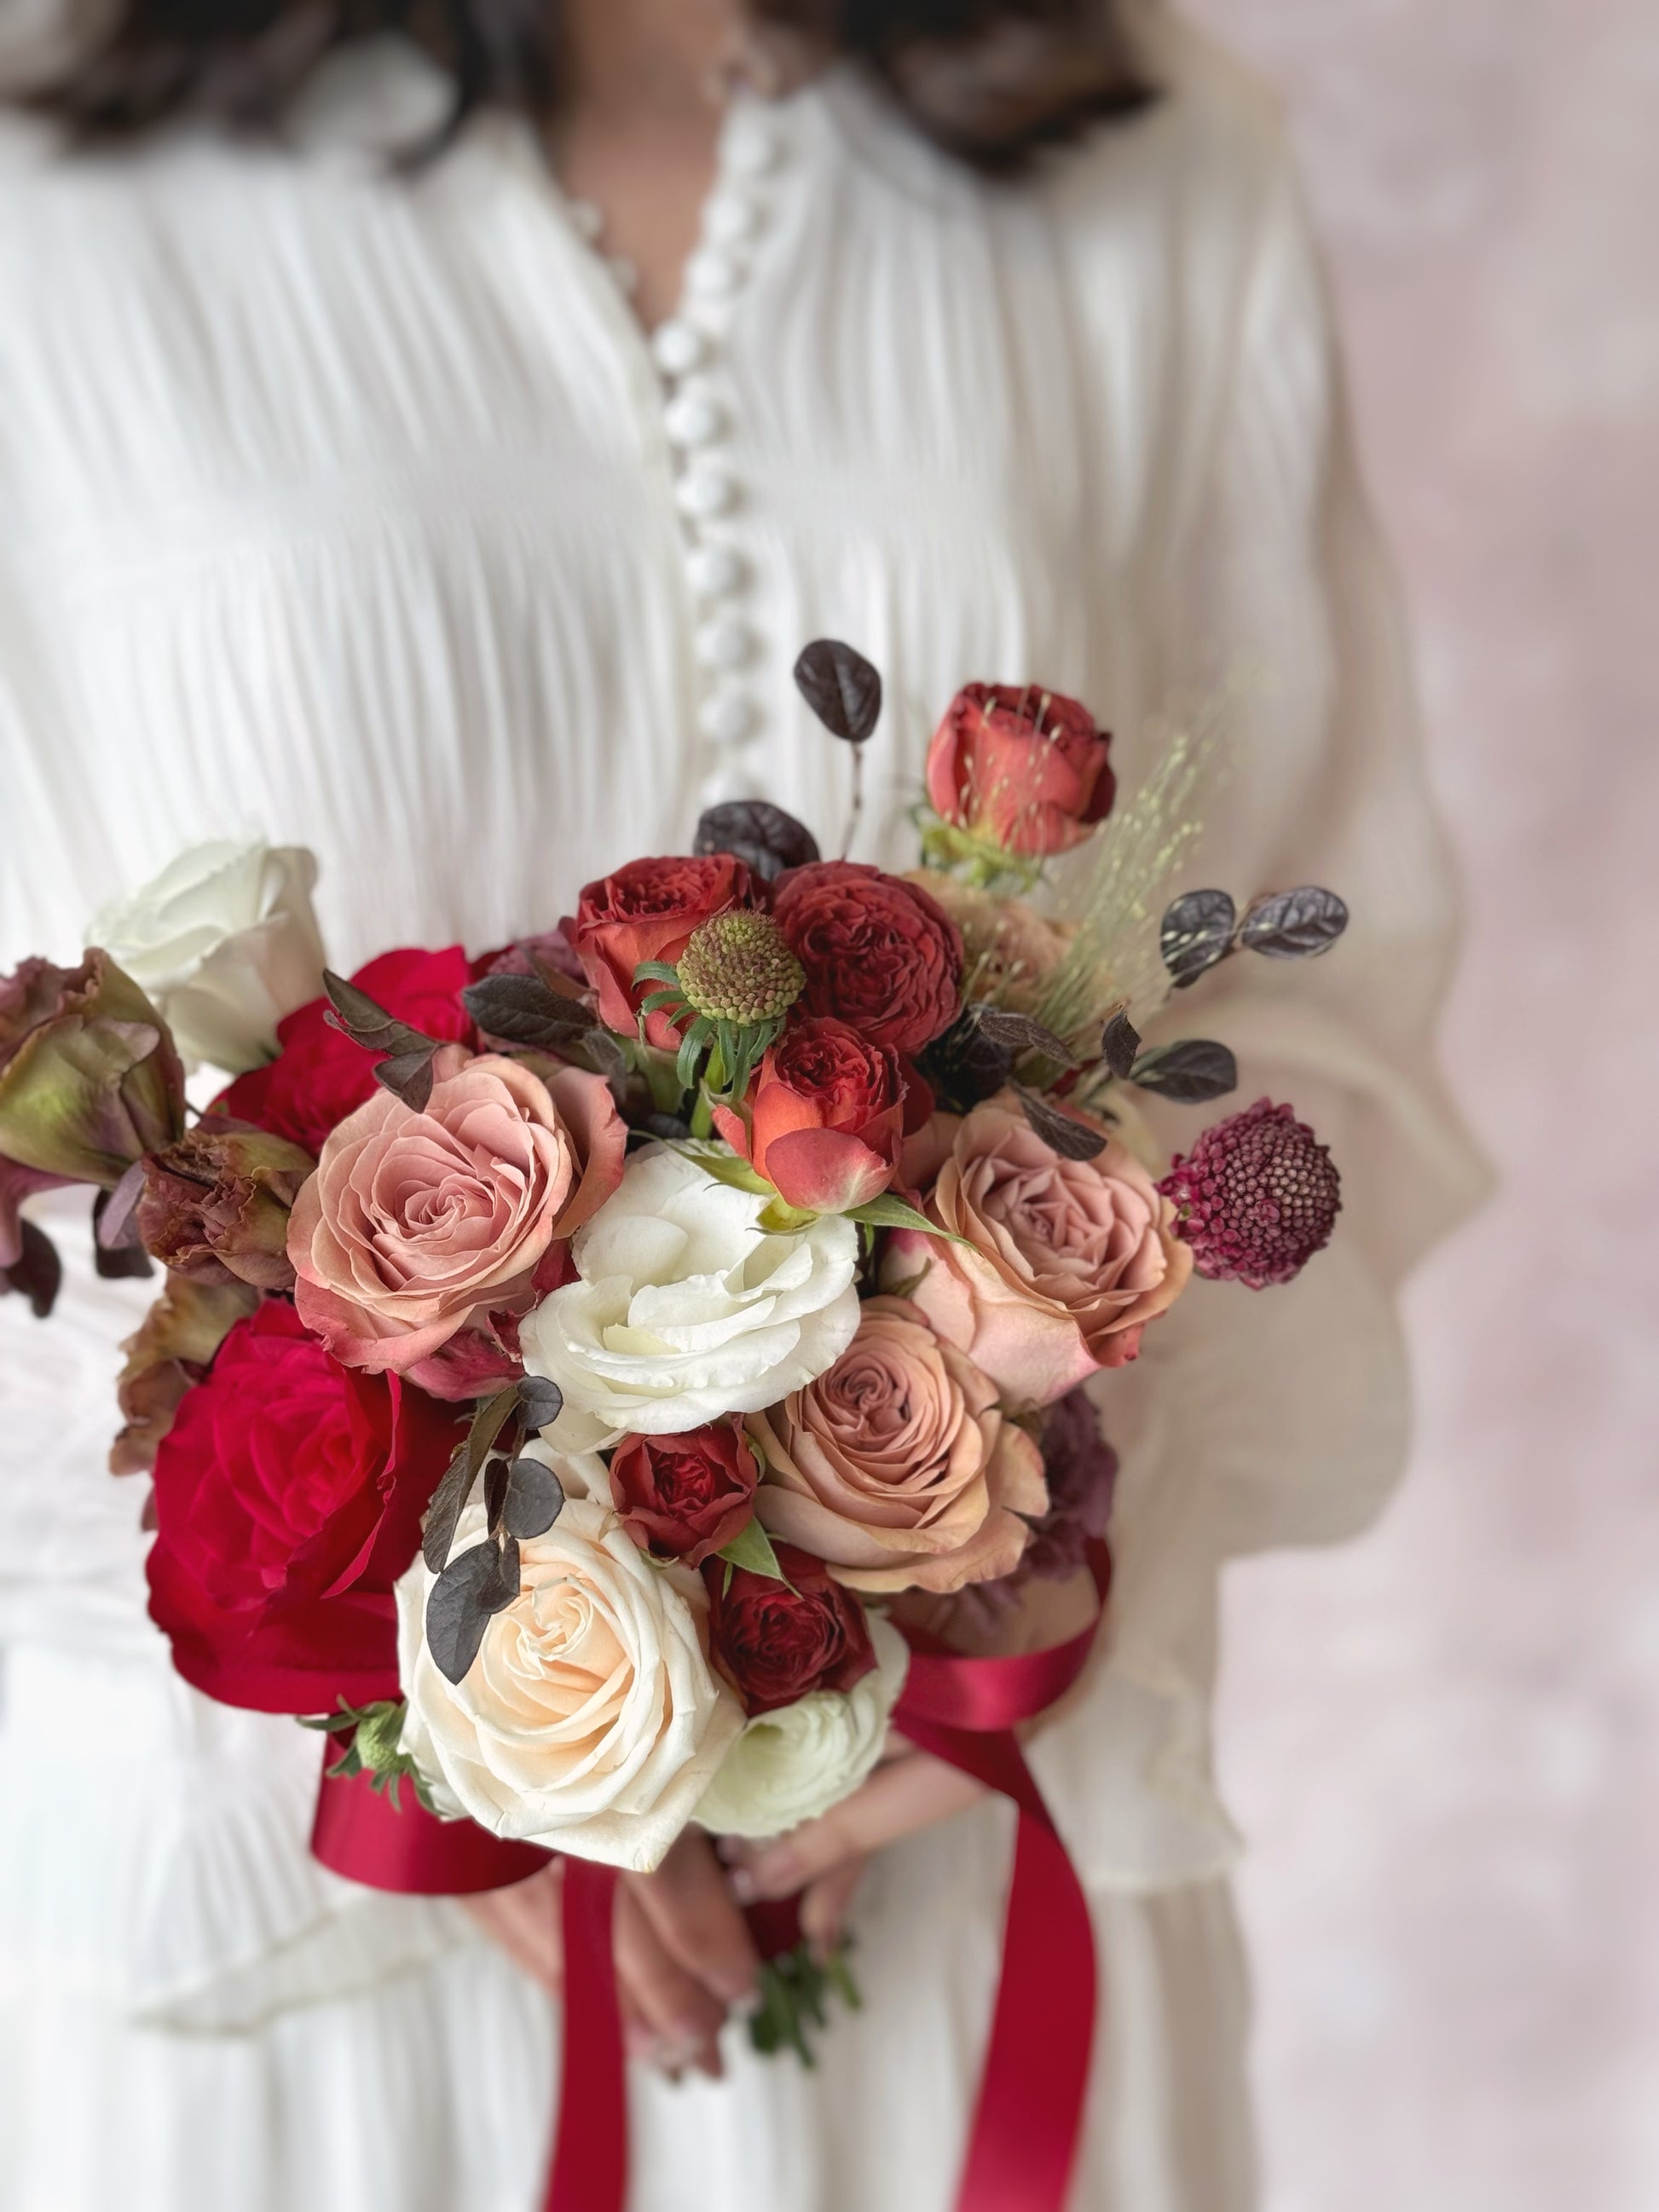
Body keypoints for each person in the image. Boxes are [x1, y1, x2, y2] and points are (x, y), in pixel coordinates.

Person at [0, 3, 1488, 2207]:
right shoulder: (48, 189)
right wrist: (431, 1735)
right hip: (288, 1959)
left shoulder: (1153, 163)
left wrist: (963, 1623)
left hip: (956, 1864)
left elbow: (1303, 1000)